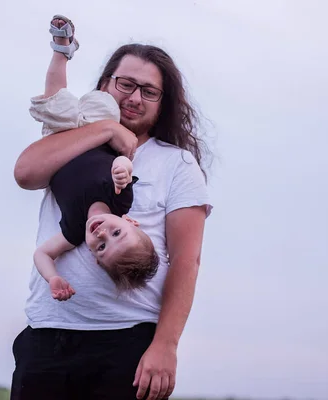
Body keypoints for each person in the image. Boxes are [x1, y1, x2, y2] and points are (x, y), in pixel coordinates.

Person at [11, 16, 213, 400]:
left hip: (128, 341)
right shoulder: (71, 139)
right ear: (106, 85)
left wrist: (165, 345)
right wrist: (106, 130)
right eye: (127, 84)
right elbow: (25, 173)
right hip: (48, 334)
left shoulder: (178, 164)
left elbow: (187, 262)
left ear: (163, 102)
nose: (135, 98)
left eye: (150, 92)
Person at [29, 15, 160, 301]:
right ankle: (88, 71)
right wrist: (121, 169)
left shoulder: (73, 231)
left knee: (55, 101)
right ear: (131, 222)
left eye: (100, 247)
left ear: (94, 257)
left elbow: (43, 253)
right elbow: (125, 160)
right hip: (99, 129)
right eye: (117, 234)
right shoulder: (120, 200)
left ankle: (61, 49)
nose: (102, 235)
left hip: (63, 139)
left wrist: (53, 277)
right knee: (105, 105)